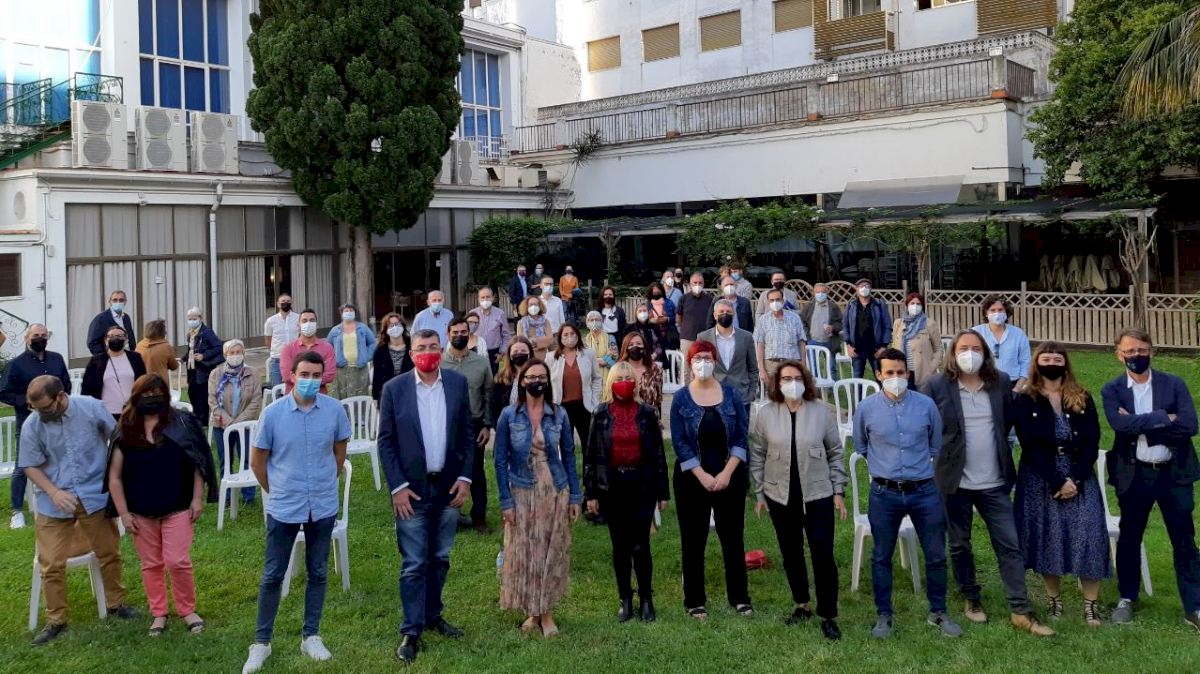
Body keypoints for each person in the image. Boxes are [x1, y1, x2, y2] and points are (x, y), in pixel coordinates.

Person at [922, 331, 1053, 636]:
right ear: (953, 352)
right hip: (954, 481)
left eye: (975, 348)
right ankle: (971, 597)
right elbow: (924, 423)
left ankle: (1020, 609)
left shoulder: (1000, 382)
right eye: (963, 348)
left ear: (985, 353)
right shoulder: (937, 385)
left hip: (994, 481)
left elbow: (1013, 421)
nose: (969, 353)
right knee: (959, 544)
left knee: (1009, 544)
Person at [242, 351, 351, 674]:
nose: (310, 381)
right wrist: (277, 489)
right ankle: (261, 642)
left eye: (316, 375)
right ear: (291, 376)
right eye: (305, 374)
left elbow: (339, 454)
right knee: (273, 574)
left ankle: (311, 635)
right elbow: (258, 462)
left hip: (322, 504)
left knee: (318, 571)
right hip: (284, 505)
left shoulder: (334, 411)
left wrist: (322, 483)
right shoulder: (273, 414)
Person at [377, 330, 474, 664]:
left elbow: (467, 434)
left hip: (448, 487)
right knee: (414, 562)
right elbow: (386, 442)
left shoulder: (457, 384)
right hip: (412, 490)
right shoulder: (394, 389)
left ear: (441, 349)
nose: (428, 352)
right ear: (411, 352)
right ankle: (411, 629)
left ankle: (433, 614)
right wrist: (397, 487)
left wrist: (465, 478)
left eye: (433, 347)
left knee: (441, 557)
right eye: (421, 347)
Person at [20, 376, 138, 645]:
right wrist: (53, 492)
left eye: (46, 408)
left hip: (93, 493)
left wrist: (118, 478)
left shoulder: (91, 407)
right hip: (53, 500)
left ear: (61, 396)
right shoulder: (32, 424)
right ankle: (56, 620)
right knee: (50, 562)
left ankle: (116, 604)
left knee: (109, 552)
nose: (41, 413)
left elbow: (117, 440)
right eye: (35, 408)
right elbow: (29, 465)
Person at [852, 348, 960, 639]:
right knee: (881, 556)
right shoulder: (866, 408)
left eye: (900, 372)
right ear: (878, 375)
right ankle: (883, 615)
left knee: (936, 554)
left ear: (908, 374)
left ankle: (938, 612)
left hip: (924, 490)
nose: (895, 377)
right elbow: (861, 445)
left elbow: (934, 445)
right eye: (889, 372)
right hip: (884, 492)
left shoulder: (926, 406)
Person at [1101, 328, 1200, 629]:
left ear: (1151, 351)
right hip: (1135, 474)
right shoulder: (1112, 389)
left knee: (1184, 540)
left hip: (1173, 473)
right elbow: (1119, 425)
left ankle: (1194, 606)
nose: (1137, 356)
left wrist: (1139, 424)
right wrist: (1163, 418)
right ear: (1119, 355)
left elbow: (1190, 426)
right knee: (1130, 537)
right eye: (1130, 351)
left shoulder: (1174, 384)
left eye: (1142, 350)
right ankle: (1127, 598)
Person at [107, 374, 216, 637]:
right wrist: (123, 513)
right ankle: (159, 612)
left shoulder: (182, 422)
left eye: (157, 393)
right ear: (136, 397)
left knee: (178, 561)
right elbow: (114, 477)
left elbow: (197, 463)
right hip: (140, 510)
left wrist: (197, 498)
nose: (152, 398)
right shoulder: (126, 428)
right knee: (151, 563)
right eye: (146, 394)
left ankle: (187, 609)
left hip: (178, 505)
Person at [1014, 341, 1109, 627]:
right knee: (1048, 537)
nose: (1052, 364)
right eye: (1046, 359)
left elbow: (1092, 439)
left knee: (1089, 536)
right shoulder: (1026, 399)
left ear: (1065, 363)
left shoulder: (1082, 396)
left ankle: (1090, 606)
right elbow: (1028, 445)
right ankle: (1054, 600)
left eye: (1057, 359)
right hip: (1041, 477)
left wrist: (1075, 479)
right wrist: (1056, 481)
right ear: (1037, 363)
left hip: (1080, 475)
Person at [749, 361, 846, 640]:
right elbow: (758, 455)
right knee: (791, 553)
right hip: (780, 495)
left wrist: (838, 491)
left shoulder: (821, 411)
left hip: (818, 494)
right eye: (786, 378)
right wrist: (759, 493)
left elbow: (835, 452)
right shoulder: (766, 414)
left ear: (806, 381)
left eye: (797, 377)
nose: (792, 383)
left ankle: (828, 614)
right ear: (777, 383)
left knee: (822, 555)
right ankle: (802, 603)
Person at [495, 358, 582, 637]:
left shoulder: (559, 414)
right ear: (522, 382)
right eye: (531, 377)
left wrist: (575, 496)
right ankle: (534, 610)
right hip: (521, 488)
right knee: (525, 549)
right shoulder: (509, 415)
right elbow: (500, 461)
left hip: (553, 488)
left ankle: (547, 614)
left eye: (541, 377)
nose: (536, 381)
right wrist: (506, 501)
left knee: (548, 549)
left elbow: (569, 455)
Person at [670, 341, 752, 620]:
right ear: (690, 363)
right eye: (698, 358)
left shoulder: (731, 394)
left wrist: (727, 472)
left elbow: (741, 436)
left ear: (715, 362)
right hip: (692, 479)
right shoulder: (681, 398)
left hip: (730, 476)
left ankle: (740, 597)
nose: (702, 363)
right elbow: (680, 442)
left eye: (707, 358)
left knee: (733, 538)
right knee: (693, 539)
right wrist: (702, 475)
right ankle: (695, 600)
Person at [584, 361, 669, 623]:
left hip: (642, 485)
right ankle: (625, 599)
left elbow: (658, 453)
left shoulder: (646, 413)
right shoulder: (600, 413)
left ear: (635, 381)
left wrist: (662, 492)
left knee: (640, 545)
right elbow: (591, 455)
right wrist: (591, 493)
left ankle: (646, 599)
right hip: (612, 487)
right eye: (618, 378)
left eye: (627, 377)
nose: (624, 382)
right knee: (620, 546)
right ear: (611, 382)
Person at [0, 324, 71, 529]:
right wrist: (29, 401)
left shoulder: (56, 359)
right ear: (27, 338)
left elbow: (66, 384)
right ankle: (17, 511)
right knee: (22, 466)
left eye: (43, 335)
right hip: (28, 421)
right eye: (36, 335)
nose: (40, 338)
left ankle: (61, 498)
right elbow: (4, 392)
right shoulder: (16, 364)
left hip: (56, 419)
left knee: (60, 459)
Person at [442, 318, 495, 534]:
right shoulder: (439, 363)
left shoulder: (481, 363)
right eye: (455, 332)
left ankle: (479, 517)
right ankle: (451, 517)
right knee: (447, 471)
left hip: (474, 423)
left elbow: (489, 395)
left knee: (476, 471)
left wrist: (487, 425)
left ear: (469, 334)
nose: (459, 335)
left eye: (463, 332)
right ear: (448, 335)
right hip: (446, 424)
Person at [209, 340, 263, 506]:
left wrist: (237, 422)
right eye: (232, 353)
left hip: (245, 425)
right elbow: (212, 401)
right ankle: (227, 496)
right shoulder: (216, 374)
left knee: (247, 459)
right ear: (225, 355)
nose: (235, 355)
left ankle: (248, 497)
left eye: (238, 352)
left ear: (244, 353)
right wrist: (228, 421)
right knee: (225, 460)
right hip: (221, 425)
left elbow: (256, 400)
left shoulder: (253, 373)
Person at [547, 322, 603, 451]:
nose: (569, 337)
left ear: (577, 335)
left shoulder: (588, 354)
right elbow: (547, 383)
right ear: (560, 338)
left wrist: (594, 400)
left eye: (572, 333)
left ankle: (588, 465)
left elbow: (596, 378)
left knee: (588, 445)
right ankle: (568, 465)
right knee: (566, 446)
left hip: (584, 405)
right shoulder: (551, 358)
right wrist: (550, 404)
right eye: (565, 334)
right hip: (562, 407)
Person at [697, 299, 759, 415]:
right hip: (713, 397)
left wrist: (752, 393)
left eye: (728, 311)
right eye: (721, 311)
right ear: (715, 315)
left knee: (741, 427)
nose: (725, 314)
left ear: (733, 314)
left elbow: (753, 368)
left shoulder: (746, 337)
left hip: (741, 397)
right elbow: (698, 368)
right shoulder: (703, 337)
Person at [82, 325, 147, 418]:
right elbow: (86, 389)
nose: (116, 339)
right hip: (105, 414)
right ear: (106, 341)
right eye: (111, 336)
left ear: (126, 340)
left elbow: (144, 382)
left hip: (132, 412)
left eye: (119, 336)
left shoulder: (135, 358)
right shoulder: (96, 361)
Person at [754, 287, 808, 394]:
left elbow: (801, 342)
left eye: (778, 299)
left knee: (792, 396)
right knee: (775, 397)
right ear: (768, 302)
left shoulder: (795, 318)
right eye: (772, 300)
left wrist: (803, 364)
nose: (775, 302)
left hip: (792, 363)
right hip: (771, 365)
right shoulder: (763, 320)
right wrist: (762, 369)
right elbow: (760, 345)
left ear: (783, 301)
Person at [972, 296, 1031, 394]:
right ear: (986, 313)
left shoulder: (1019, 334)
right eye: (993, 310)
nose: (997, 313)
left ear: (1006, 312)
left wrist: (1017, 388)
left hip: (1011, 385)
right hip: (982, 385)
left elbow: (1026, 362)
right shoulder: (975, 333)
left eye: (1000, 310)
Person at [892, 292, 943, 389]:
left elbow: (938, 348)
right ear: (907, 305)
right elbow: (894, 345)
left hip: (923, 371)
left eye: (918, 304)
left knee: (922, 396)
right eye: (912, 303)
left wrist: (931, 368)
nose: (915, 306)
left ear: (922, 306)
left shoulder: (929, 324)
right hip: (902, 370)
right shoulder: (898, 323)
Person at [279, 309, 337, 395]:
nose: (308, 323)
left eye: (312, 320)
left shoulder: (327, 348)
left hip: (319, 396)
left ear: (316, 325)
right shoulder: (287, 349)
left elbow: (330, 375)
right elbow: (287, 375)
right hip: (294, 397)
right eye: (304, 321)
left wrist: (303, 380)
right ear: (298, 325)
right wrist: (314, 380)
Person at [844, 278, 892, 379]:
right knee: (857, 379)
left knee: (880, 378)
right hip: (857, 350)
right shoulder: (851, 305)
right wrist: (848, 345)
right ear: (856, 289)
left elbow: (887, 326)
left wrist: (883, 347)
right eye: (861, 286)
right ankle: (859, 391)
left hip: (876, 349)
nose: (864, 288)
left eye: (867, 286)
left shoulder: (879, 304)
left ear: (871, 289)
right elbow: (846, 326)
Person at [326, 303, 376, 400]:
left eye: (351, 310)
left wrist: (366, 357)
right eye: (346, 311)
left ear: (355, 313)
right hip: (341, 370)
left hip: (360, 369)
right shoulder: (335, 330)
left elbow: (372, 343)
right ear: (341, 313)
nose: (349, 312)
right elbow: (328, 347)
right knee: (342, 397)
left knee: (360, 397)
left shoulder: (363, 328)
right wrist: (333, 360)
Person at [184, 308, 223, 428]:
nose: (192, 321)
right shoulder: (191, 333)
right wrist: (184, 358)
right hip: (192, 369)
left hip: (203, 371)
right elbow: (190, 350)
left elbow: (218, 347)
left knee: (202, 396)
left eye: (194, 318)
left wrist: (204, 356)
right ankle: (197, 419)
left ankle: (203, 421)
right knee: (192, 393)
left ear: (200, 318)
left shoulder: (207, 332)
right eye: (190, 319)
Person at [619, 332, 664, 417]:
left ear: (644, 347)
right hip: (625, 419)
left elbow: (658, 400)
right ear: (626, 348)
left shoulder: (655, 369)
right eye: (631, 345)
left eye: (639, 344)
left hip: (649, 419)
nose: (635, 347)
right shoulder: (618, 370)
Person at [491, 337, 534, 424]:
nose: (519, 353)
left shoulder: (538, 377)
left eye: (523, 351)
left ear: (530, 353)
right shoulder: (500, 378)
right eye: (515, 351)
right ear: (510, 355)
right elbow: (495, 407)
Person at [371, 312, 413, 401]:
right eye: (391, 325)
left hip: (409, 392)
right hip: (387, 394)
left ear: (403, 326)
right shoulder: (380, 351)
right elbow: (377, 377)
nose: (395, 327)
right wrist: (375, 397)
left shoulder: (413, 347)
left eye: (397, 324)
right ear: (386, 330)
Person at [799, 282, 843, 363]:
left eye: (823, 292)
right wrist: (807, 336)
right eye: (818, 292)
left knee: (831, 367)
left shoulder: (833, 307)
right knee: (813, 366)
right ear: (813, 293)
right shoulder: (809, 306)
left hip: (829, 341)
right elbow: (802, 322)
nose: (820, 294)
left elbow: (840, 323)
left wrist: (833, 327)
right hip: (812, 341)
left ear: (827, 292)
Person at [264, 294, 300, 388]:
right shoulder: (271, 321)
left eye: (288, 301)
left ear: (291, 303)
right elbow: (268, 339)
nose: (285, 303)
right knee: (277, 388)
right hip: (277, 359)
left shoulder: (298, 318)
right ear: (278, 304)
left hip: (295, 358)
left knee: (296, 386)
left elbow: (301, 336)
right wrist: (274, 351)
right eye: (283, 301)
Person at [472, 287, 511, 372]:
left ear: (493, 298)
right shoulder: (473, 314)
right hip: (476, 351)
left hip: (494, 353)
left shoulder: (500, 314)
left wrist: (502, 352)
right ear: (478, 299)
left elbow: (506, 335)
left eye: (488, 297)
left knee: (493, 377)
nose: (485, 300)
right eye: (482, 297)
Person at [86, 289, 136, 356]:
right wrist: (105, 357)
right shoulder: (100, 319)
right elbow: (92, 343)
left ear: (125, 302)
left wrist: (133, 353)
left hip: (127, 357)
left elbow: (131, 338)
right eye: (115, 300)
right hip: (110, 358)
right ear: (110, 302)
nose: (118, 302)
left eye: (121, 300)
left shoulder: (126, 318)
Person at [677, 272, 713, 355]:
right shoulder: (683, 298)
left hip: (705, 338)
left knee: (704, 361)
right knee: (686, 362)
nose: (698, 285)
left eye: (700, 283)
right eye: (695, 282)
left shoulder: (709, 299)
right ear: (690, 284)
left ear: (703, 284)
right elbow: (678, 317)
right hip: (687, 338)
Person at [136, 319, 180, 384]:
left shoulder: (139, 345)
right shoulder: (166, 347)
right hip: (161, 384)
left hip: (143, 383)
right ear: (162, 332)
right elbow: (174, 366)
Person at [583, 310, 618, 381]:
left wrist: (593, 360)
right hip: (590, 379)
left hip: (608, 377)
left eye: (597, 320)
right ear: (587, 323)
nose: (594, 322)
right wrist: (605, 358)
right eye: (591, 320)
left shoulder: (610, 338)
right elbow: (583, 361)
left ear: (601, 322)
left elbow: (613, 358)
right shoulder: (584, 341)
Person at [517, 295, 554, 360]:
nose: (533, 307)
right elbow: (520, 340)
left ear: (539, 306)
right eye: (531, 305)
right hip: (527, 356)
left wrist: (535, 341)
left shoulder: (545, 321)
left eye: (536, 304)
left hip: (543, 356)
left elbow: (550, 339)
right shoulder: (521, 323)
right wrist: (538, 341)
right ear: (526, 306)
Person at [646, 282, 679, 354]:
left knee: (669, 357)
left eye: (658, 291)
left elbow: (677, 318)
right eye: (654, 291)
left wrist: (667, 319)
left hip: (669, 336)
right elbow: (643, 320)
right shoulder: (648, 304)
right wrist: (651, 321)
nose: (656, 293)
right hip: (654, 337)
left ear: (662, 291)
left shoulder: (669, 303)